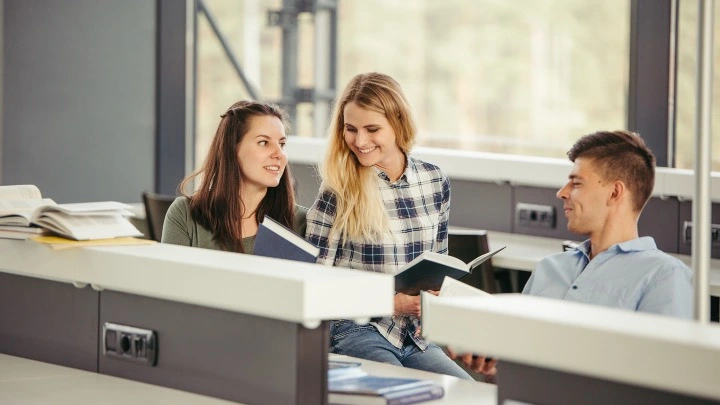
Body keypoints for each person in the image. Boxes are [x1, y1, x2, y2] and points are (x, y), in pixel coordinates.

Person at [306, 72, 485, 380]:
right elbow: (313, 286)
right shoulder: (339, 190)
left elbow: (439, 272)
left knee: (471, 394)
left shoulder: (433, 181)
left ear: (398, 123)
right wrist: (392, 302)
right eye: (351, 129)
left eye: (372, 129)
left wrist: (443, 304)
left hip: (415, 337)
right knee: (401, 395)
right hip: (357, 329)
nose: (360, 141)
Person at [522, 130, 693, 318]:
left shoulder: (664, 276)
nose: (562, 192)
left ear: (614, 193)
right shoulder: (549, 267)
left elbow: (661, 348)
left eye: (577, 183)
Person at [162, 100, 307, 252]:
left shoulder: (303, 222)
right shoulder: (184, 214)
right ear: (231, 149)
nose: (279, 154)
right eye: (264, 143)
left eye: (282, 144)